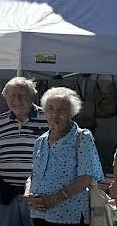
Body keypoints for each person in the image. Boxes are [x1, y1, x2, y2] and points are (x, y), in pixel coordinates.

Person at [23, 87, 103, 226]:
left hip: (68, 214)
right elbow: (34, 173)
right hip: (40, 212)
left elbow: (85, 178)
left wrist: (52, 200)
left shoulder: (82, 137)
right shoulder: (40, 140)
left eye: (61, 110)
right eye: (51, 108)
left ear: (71, 112)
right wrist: (27, 192)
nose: (55, 114)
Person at [0, 77, 49, 226]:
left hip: (38, 194)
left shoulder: (48, 118)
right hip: (6, 193)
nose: (17, 99)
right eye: (12, 95)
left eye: (22, 95)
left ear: (31, 96)